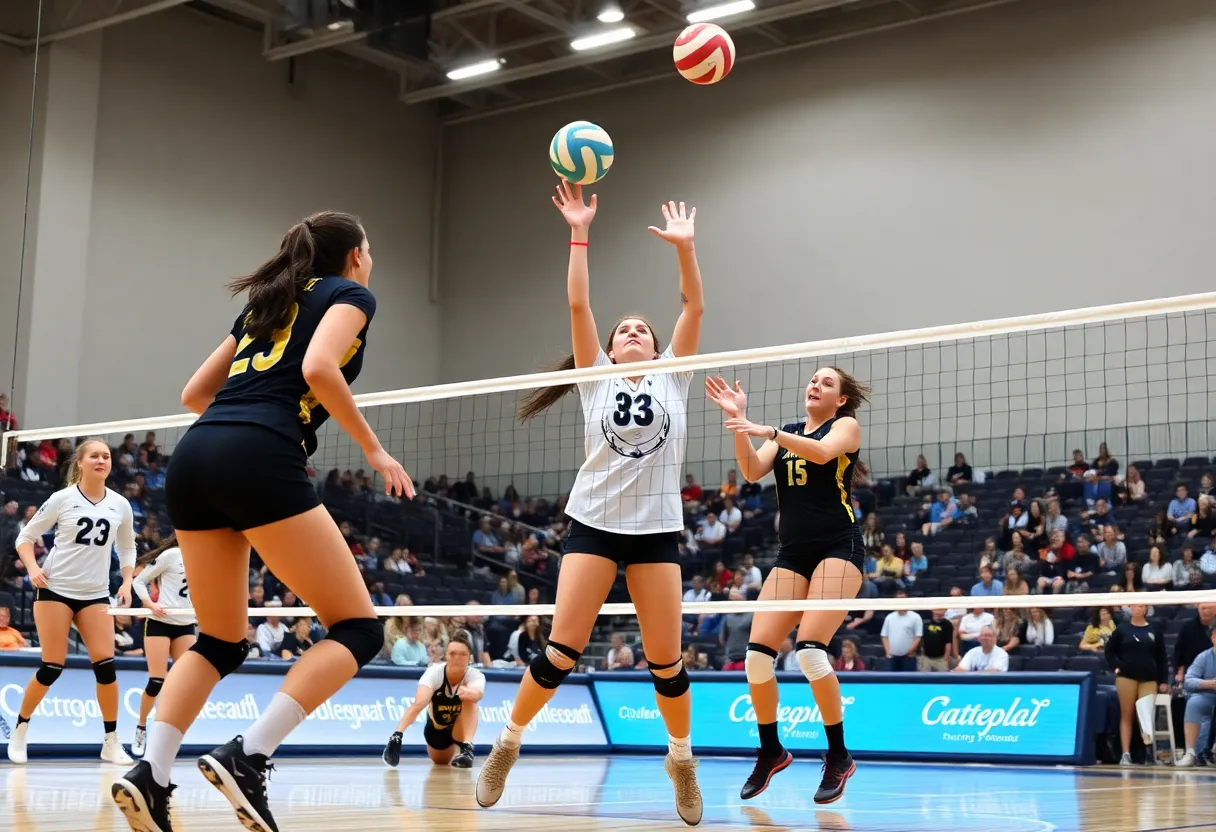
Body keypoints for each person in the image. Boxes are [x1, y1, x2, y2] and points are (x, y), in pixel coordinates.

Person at [111, 211, 414, 832]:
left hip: (196, 454)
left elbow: (195, 393)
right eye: (371, 247)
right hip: (260, 452)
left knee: (220, 639)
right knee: (358, 630)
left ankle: (152, 772)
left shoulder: (265, 302)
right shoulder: (352, 293)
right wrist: (374, 450)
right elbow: (319, 369)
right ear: (355, 254)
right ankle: (248, 755)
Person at [475, 182, 704, 825]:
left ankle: (680, 760)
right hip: (595, 525)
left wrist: (685, 250)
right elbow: (578, 301)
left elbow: (694, 304)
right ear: (610, 346)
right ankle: (507, 746)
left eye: (642, 330)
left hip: (656, 529)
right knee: (560, 650)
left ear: (657, 349)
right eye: (623, 329)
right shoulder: (595, 375)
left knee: (667, 662)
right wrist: (579, 230)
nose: (632, 332)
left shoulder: (673, 375)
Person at [705, 365, 869, 804]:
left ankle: (838, 756)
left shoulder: (846, 426)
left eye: (827, 383)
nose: (816, 385)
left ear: (841, 400)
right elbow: (752, 470)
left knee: (810, 652)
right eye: (813, 380)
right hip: (793, 554)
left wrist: (769, 430)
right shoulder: (788, 432)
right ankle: (771, 750)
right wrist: (739, 422)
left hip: (839, 546)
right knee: (756, 660)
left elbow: (819, 454)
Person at [7, 439, 136, 766]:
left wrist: (128, 583)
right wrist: (34, 568)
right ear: (80, 462)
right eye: (94, 455)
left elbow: (128, 549)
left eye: (106, 456)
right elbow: (24, 538)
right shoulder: (62, 498)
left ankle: (110, 740)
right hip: (56, 589)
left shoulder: (120, 504)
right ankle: (20, 728)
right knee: (52, 665)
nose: (101, 460)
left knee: (106, 667)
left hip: (94, 593)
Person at [130, 536, 198, 759]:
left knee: (184, 682)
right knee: (157, 680)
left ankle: (166, 733)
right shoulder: (170, 556)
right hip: (160, 622)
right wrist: (149, 603)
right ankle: (141, 728)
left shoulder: (204, 558)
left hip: (186, 623)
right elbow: (138, 581)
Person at [383, 630, 484, 769]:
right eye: (453, 653)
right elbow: (418, 705)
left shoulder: (475, 675)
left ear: (470, 658)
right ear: (446, 655)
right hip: (436, 730)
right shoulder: (434, 673)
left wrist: (464, 692)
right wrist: (397, 735)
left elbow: (478, 694)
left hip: (459, 729)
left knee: (470, 699)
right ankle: (397, 739)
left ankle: (467, 748)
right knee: (440, 762)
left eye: (462, 654)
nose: (457, 658)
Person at [1105, 604, 1168, 765]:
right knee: (1127, 715)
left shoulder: (1155, 629)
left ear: (1146, 609)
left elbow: (1162, 657)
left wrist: (1163, 680)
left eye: (1143, 606)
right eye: (1136, 605)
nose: (1139, 608)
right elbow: (1109, 651)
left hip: (1149, 677)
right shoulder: (1122, 630)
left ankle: (1148, 753)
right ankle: (1125, 753)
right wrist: (1116, 667)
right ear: (1131, 608)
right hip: (1127, 677)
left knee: (1146, 715)